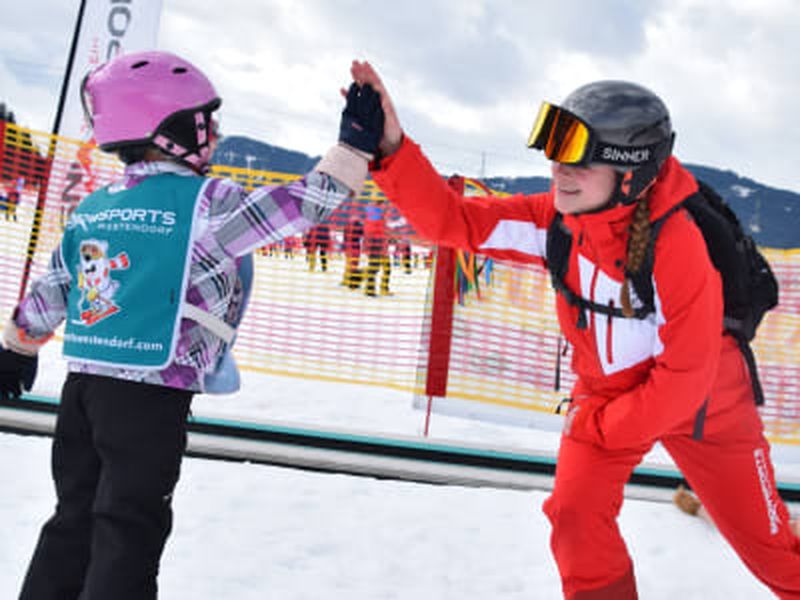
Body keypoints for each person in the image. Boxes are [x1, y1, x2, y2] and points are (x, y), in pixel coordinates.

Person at [350, 60, 800, 599]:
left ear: (629, 174)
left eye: (579, 161)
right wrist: (393, 148)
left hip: (706, 403)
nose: (559, 170)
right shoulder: (556, 222)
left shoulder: (679, 244)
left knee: (772, 551)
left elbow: (684, 380)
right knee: (574, 518)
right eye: (556, 154)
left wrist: (599, 428)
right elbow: (454, 220)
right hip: (609, 396)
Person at [0, 50, 384, 600]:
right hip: (150, 398)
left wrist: (17, 345)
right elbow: (301, 205)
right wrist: (353, 147)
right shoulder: (208, 204)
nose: (216, 134)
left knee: (74, 517)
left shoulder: (96, 206)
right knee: (128, 527)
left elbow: (53, 288)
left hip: (83, 391)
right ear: (170, 128)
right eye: (206, 122)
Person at [363, 199, 391, 297]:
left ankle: (381, 289)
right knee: (374, 268)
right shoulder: (375, 215)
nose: (386, 207)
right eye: (384, 205)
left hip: (380, 245)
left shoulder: (380, 216)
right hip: (375, 245)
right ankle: (369, 289)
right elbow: (371, 231)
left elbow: (382, 230)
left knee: (383, 268)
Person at [341, 216, 364, 288]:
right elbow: (363, 234)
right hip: (355, 247)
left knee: (348, 264)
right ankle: (352, 281)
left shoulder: (347, 225)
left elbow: (344, 237)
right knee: (354, 264)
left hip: (348, 247)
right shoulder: (359, 226)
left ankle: (346, 280)